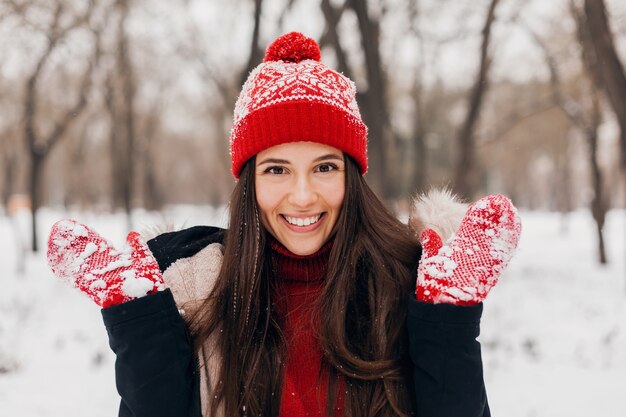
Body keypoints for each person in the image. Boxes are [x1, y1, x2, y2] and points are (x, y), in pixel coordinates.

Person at [46, 32, 521, 417]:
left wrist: (447, 322)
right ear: (248, 183)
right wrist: (140, 326)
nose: (302, 195)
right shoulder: (195, 293)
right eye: (276, 169)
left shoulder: (407, 285)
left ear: (352, 178)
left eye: (324, 167)